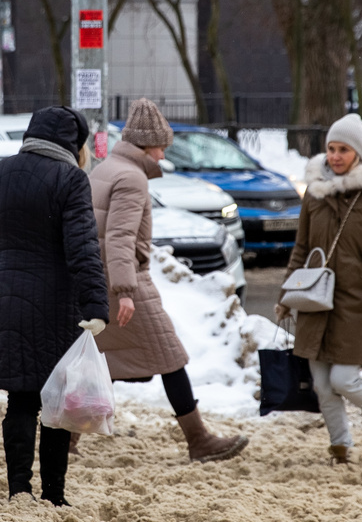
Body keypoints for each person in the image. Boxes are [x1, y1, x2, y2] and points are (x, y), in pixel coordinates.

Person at [87, 98, 248, 462]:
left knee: (104, 361)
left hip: (101, 278)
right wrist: (126, 291)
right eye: (161, 146)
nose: (163, 155)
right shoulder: (131, 177)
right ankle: (199, 440)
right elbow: (119, 237)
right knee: (168, 356)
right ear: (147, 144)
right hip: (123, 281)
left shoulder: (107, 167)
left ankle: (67, 438)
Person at [0, 106, 109, 506]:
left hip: (5, 298)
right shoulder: (71, 179)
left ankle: (18, 491)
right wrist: (96, 305)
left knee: (20, 399)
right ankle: (54, 495)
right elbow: (83, 249)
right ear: (73, 143)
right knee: (56, 402)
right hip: (54, 303)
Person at [274, 113, 362, 464]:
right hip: (314, 302)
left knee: (344, 379)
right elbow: (301, 249)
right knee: (322, 385)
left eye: (344, 149)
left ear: (359, 154)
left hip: (356, 302)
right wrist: (285, 298)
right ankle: (341, 447)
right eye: (331, 149)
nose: (335, 156)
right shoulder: (314, 194)